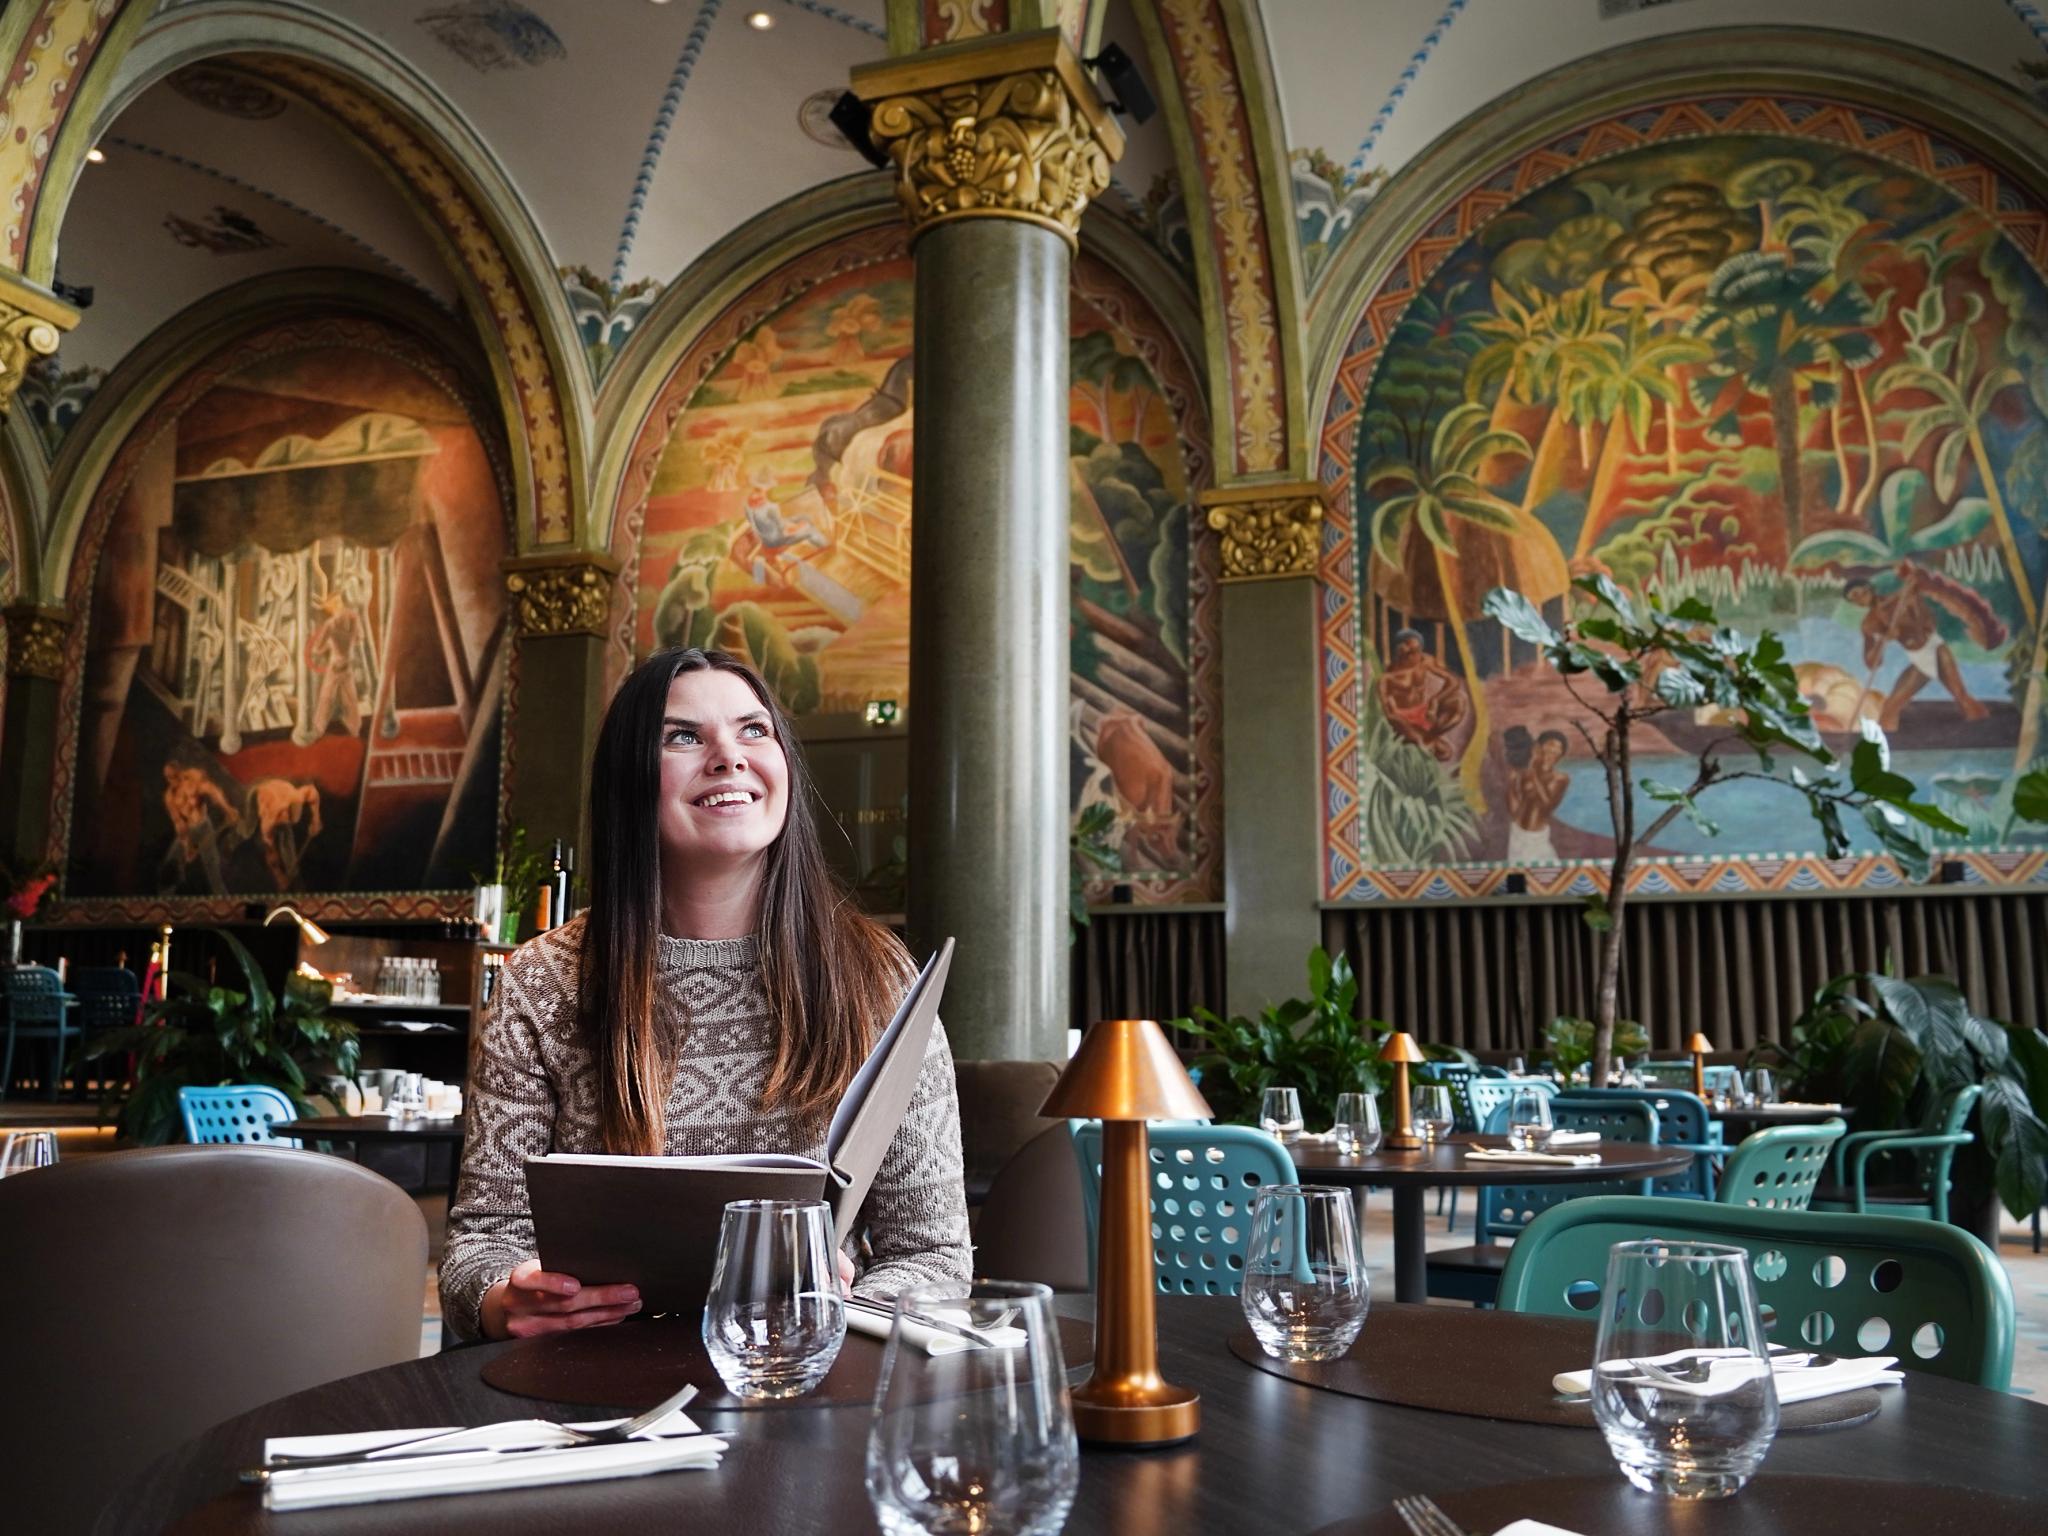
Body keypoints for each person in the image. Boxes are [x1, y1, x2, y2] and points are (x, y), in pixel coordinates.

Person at [441, 648, 970, 1341]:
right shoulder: (543, 982)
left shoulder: (878, 978)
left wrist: (847, 1307)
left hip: (807, 1391)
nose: (729, 757)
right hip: (598, 1390)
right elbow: (480, 1246)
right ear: (629, 780)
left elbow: (930, 1254)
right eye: (683, 736)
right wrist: (507, 1299)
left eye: (754, 730)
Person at [1842, 564, 2005, 731]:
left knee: (1961, 696)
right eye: (1853, 598)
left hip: (1934, 647)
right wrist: (1884, 640)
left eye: (1859, 593)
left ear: (1870, 589)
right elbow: (1872, 662)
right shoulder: (1869, 624)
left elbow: (1929, 622)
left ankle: (1986, 728)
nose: (1858, 599)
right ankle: (1886, 747)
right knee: (1890, 708)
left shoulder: (1901, 599)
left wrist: (1911, 613)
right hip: (1918, 658)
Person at [1377, 628, 1470, 761]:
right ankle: (1425, 739)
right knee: (1443, 752)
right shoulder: (1387, 678)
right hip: (1404, 719)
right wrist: (1407, 727)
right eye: (1413, 652)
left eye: (1418, 650)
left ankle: (1429, 737)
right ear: (1401, 651)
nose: (1417, 655)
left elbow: (1452, 681)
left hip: (1425, 712)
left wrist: (1435, 700)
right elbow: (1389, 714)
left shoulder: (1425, 661)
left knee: (1459, 701)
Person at [1503, 726, 1569, 865]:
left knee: (1549, 875)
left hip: (1537, 838)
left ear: (1561, 755)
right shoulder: (1525, 775)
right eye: (1548, 748)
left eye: (1556, 751)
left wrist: (1534, 772)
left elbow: (1547, 806)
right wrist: (1510, 784)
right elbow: (1514, 811)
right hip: (1517, 833)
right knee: (1518, 877)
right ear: (1538, 748)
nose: (1550, 755)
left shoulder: (1560, 778)